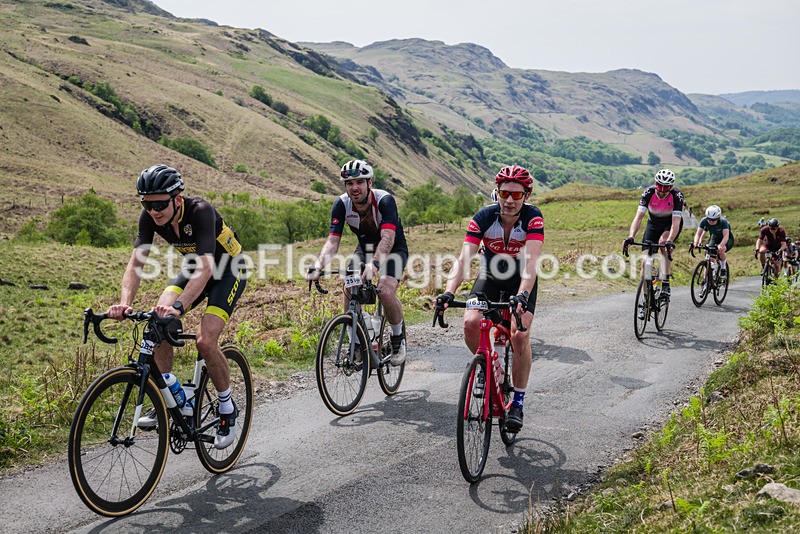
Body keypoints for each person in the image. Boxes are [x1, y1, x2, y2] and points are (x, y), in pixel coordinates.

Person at [106, 164, 246, 449]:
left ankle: (227, 408)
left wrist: (181, 307)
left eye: (159, 204)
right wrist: (124, 303)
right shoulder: (149, 218)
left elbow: (208, 268)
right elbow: (136, 263)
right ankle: (172, 393)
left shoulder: (201, 211)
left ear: (177, 199)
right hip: (196, 267)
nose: (153, 211)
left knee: (205, 341)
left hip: (228, 270)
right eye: (147, 203)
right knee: (158, 319)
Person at [435, 165, 544, 432]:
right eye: (505, 193)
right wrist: (449, 292)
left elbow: (530, 266)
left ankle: (517, 401)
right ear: (497, 192)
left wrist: (522, 296)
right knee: (471, 322)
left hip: (521, 279)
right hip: (491, 275)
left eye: (516, 196)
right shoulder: (484, 216)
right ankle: (485, 365)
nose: (509, 200)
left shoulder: (533, 218)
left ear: (526, 196)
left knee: (519, 335)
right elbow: (463, 260)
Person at [308, 159, 409, 366]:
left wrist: (375, 264)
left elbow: (388, 238)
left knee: (385, 290)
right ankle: (358, 346)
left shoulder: (384, 200)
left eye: (359, 182)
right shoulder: (341, 204)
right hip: (365, 248)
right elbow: (332, 242)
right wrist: (318, 266)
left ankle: (398, 338)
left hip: (393, 247)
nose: (354, 188)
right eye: (349, 183)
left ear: (369, 183)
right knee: (349, 286)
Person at [623, 169, 685, 299]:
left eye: (666, 188)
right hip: (653, 224)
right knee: (645, 263)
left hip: (669, 224)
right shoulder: (648, 193)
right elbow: (639, 217)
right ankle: (646, 299)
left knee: (663, 244)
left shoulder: (677, 196)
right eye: (659, 187)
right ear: (655, 184)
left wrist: (670, 240)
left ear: (671, 187)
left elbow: (675, 222)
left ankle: (666, 282)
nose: (662, 191)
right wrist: (631, 237)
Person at [690, 204, 734, 278]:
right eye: (709, 219)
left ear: (718, 217)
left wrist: (721, 245)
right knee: (709, 255)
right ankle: (706, 279)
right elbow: (698, 233)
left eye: (713, 220)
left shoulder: (723, 222)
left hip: (727, 239)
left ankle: (723, 268)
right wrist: (695, 243)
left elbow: (726, 236)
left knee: (721, 250)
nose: (710, 221)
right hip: (715, 237)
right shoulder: (704, 220)